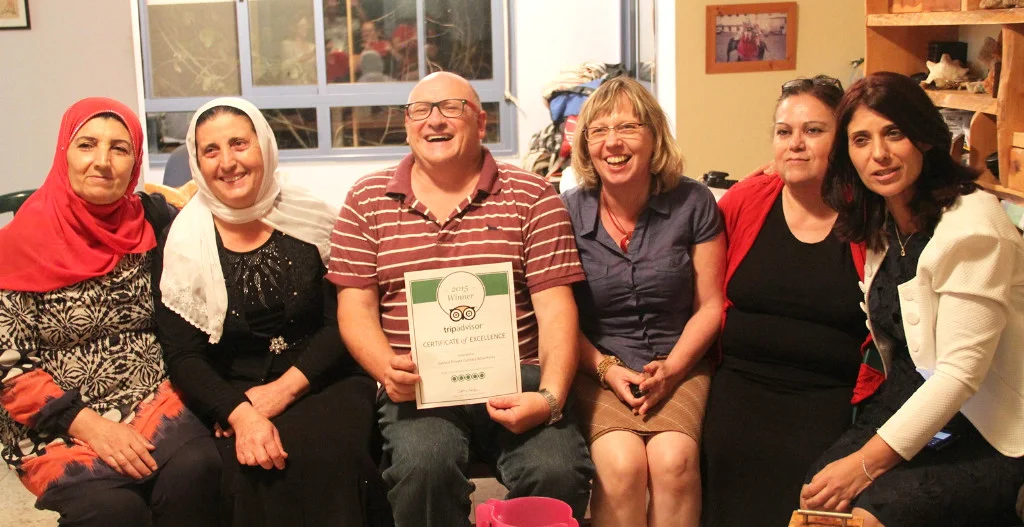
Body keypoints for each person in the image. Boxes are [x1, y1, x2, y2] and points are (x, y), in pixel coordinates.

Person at [329, 72, 595, 527]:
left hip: (519, 378)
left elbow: (555, 310)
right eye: (420, 110)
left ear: (481, 121)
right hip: (418, 387)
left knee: (558, 471)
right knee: (422, 469)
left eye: (452, 107)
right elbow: (354, 308)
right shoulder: (366, 200)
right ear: (407, 124)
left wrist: (550, 398)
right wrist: (383, 367)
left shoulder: (532, 196)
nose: (435, 121)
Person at [153, 97, 391, 526]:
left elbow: (345, 319)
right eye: (211, 151)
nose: (228, 162)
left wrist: (285, 389)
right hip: (234, 391)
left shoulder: (311, 218)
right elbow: (183, 355)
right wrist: (239, 413)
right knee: (247, 468)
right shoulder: (183, 241)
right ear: (197, 161)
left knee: (327, 454)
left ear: (264, 145)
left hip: (322, 376)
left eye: (239, 144)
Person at [804, 71, 1024, 527]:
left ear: (923, 139)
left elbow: (959, 375)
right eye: (861, 140)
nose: (878, 154)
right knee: (815, 498)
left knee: (865, 517)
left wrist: (866, 463)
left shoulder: (974, 227)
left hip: (988, 430)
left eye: (894, 134)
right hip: (907, 409)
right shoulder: (884, 218)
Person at [0, 97, 220, 526]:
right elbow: (8, 367)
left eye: (120, 149)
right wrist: (92, 426)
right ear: (64, 152)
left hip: (156, 398)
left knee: (199, 473)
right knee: (115, 511)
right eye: (87, 145)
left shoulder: (154, 223)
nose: (102, 161)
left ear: (135, 161)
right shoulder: (16, 245)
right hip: (59, 422)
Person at [701, 75, 880, 527]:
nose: (795, 144)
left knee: (812, 481)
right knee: (719, 453)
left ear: (841, 142)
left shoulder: (869, 212)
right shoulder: (746, 199)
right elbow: (698, 280)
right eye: (785, 132)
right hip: (740, 382)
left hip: (828, 393)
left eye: (813, 131)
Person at [560, 76, 725, 527]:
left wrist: (671, 370)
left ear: (654, 137)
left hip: (680, 361)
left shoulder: (694, 202)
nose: (613, 143)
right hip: (597, 366)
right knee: (621, 464)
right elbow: (557, 320)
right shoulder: (566, 212)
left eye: (629, 128)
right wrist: (607, 370)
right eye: (598, 131)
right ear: (586, 144)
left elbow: (711, 305)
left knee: (674, 461)